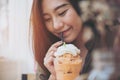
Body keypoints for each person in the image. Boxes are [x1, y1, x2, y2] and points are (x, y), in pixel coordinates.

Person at [30, 0, 94, 80]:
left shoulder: (107, 48)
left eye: (62, 13)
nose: (56, 25)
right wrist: (54, 76)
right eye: (47, 19)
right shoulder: (49, 56)